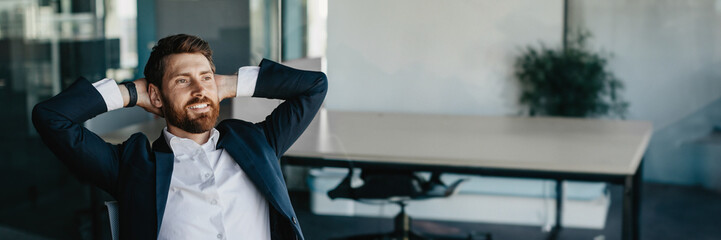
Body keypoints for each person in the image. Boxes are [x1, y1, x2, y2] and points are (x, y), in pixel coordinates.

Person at [32, 34, 327, 240]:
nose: (199, 89)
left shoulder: (259, 142)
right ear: (157, 97)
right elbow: (52, 117)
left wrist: (227, 83)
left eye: (206, 77)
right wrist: (131, 92)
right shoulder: (132, 166)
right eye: (183, 80)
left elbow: (314, 86)